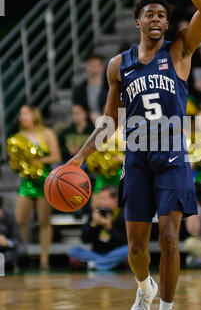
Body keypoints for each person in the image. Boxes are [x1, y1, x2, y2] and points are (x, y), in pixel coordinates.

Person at [67, 0, 201, 310]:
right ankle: (144, 288)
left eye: (162, 16)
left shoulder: (181, 50)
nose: (157, 19)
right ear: (138, 22)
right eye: (150, 13)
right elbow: (109, 122)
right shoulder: (120, 65)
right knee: (137, 249)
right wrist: (78, 159)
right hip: (135, 158)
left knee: (169, 237)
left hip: (172, 156)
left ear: (168, 25)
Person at [14, 105, 61, 270]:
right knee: (20, 221)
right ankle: (19, 258)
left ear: (34, 115)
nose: (22, 117)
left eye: (25, 114)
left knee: (44, 221)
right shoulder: (18, 136)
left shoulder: (46, 133)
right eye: (21, 114)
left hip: (44, 181)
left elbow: (56, 156)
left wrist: (38, 162)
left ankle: (44, 260)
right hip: (26, 182)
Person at [68, 185, 128, 271]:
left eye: (103, 199)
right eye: (100, 199)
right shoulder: (95, 213)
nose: (100, 202)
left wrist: (109, 228)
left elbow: (124, 242)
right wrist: (93, 224)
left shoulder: (123, 215)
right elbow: (84, 239)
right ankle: (109, 264)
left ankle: (92, 264)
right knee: (73, 251)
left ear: (115, 200)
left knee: (127, 250)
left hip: (115, 253)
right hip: (96, 254)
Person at [72, 53, 108, 124]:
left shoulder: (109, 87)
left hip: (107, 122)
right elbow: (77, 108)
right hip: (87, 123)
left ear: (102, 68)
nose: (92, 68)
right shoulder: (80, 89)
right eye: (90, 65)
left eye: (95, 66)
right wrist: (88, 116)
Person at [0, 196, 26, 271]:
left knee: (21, 250)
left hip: (6, 250)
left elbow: (18, 240)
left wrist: (7, 242)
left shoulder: (10, 217)